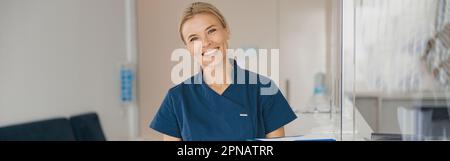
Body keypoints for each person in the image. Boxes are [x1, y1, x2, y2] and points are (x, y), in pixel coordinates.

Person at [150, 2, 297, 141]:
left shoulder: (264, 89)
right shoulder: (177, 98)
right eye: (194, 38)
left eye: (211, 31)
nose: (206, 43)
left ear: (227, 30)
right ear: (188, 48)